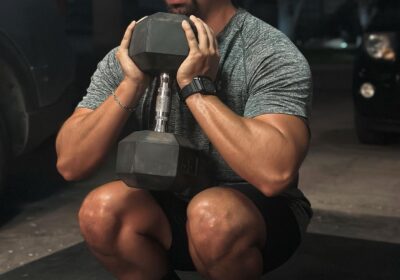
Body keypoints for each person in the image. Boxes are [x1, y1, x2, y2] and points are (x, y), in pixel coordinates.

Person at [55, 0, 313, 279]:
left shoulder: (267, 51)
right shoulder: (135, 50)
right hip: (171, 207)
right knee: (101, 211)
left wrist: (197, 88)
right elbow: (71, 162)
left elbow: (275, 173)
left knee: (211, 215)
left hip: (255, 215)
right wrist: (131, 84)